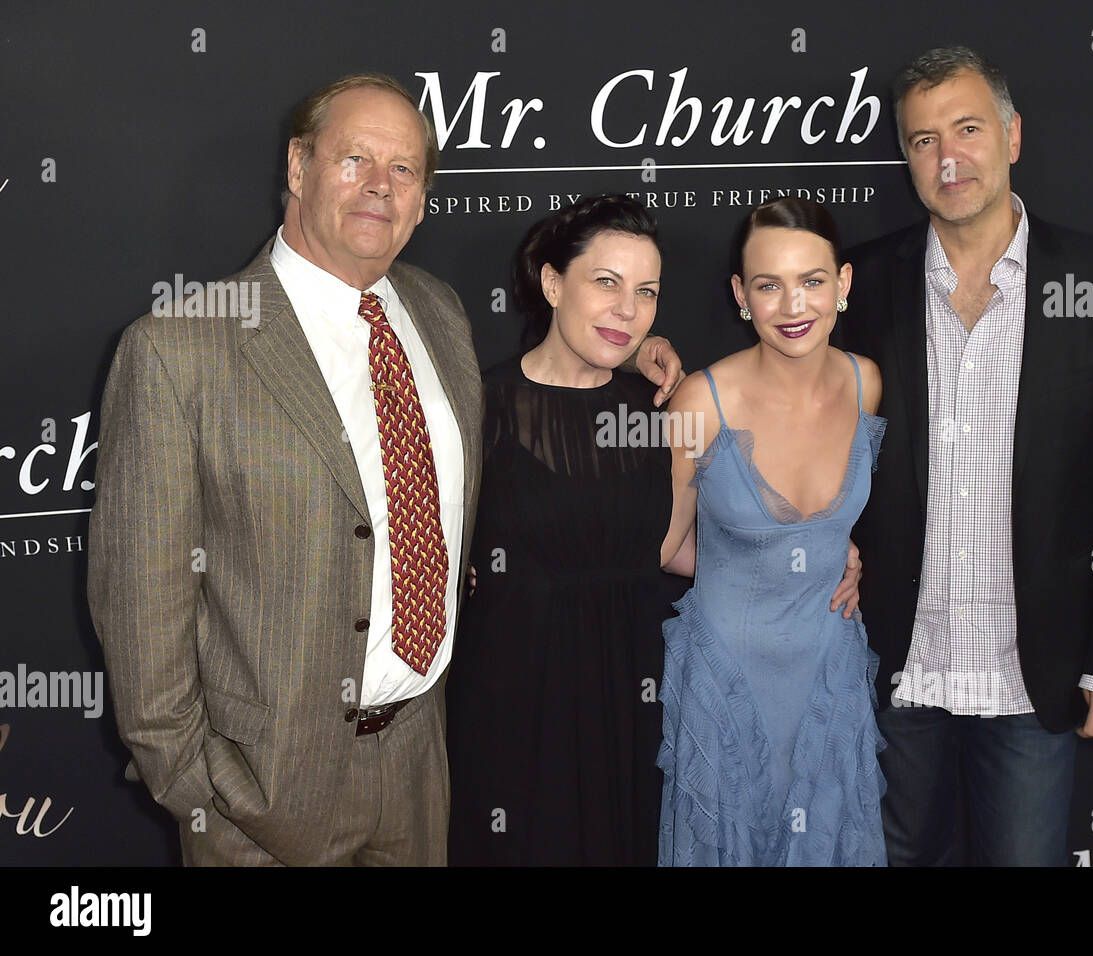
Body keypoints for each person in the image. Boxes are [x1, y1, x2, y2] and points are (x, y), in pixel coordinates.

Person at [86, 75, 681, 866]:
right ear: (298, 167)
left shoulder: (438, 313)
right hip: (263, 799)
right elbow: (138, 610)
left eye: (404, 170)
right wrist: (202, 795)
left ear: (425, 197)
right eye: (355, 159)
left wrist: (635, 343)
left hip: (424, 769)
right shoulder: (178, 350)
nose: (380, 186)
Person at [834, 46, 1093, 866]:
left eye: (968, 129)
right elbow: (784, 401)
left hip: (1031, 676)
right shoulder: (861, 285)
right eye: (922, 140)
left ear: (1013, 136)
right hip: (896, 666)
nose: (948, 158)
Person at [445, 195, 686, 866]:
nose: (627, 310)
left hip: (633, 701)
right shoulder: (475, 406)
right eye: (605, 282)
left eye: (646, 292)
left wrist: (815, 551)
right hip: (513, 714)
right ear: (552, 283)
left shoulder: (662, 410)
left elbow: (678, 546)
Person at [657, 197, 888, 866]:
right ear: (741, 294)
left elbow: (847, 522)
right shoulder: (700, 401)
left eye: (812, 280)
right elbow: (668, 546)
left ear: (842, 284)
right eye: (769, 284)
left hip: (828, 675)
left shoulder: (865, 382)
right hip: (728, 685)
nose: (794, 305)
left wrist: (838, 553)